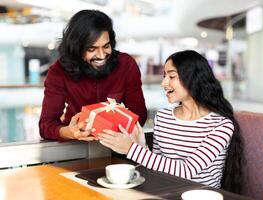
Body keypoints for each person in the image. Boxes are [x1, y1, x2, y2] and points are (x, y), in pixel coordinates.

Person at [98, 50, 243, 193]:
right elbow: (159, 168)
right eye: (164, 76)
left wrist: (131, 149)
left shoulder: (221, 125)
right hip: (166, 193)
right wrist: (141, 147)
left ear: (193, 78)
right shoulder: (163, 117)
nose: (164, 83)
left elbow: (187, 170)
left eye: (171, 76)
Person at [39, 10, 147, 141]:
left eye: (106, 46)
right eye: (92, 49)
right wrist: (70, 132)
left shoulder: (126, 64)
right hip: (76, 144)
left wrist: (109, 131)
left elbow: (139, 114)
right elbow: (46, 125)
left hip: (119, 142)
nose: (101, 55)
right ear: (77, 48)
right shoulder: (58, 72)